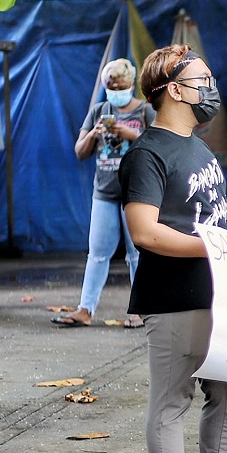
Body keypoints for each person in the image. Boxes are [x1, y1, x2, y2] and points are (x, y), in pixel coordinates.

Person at [119, 44, 227, 453]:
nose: (211, 89)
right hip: (174, 297)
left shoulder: (198, 146)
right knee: (171, 401)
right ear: (174, 90)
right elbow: (145, 232)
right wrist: (212, 248)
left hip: (220, 294)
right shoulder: (146, 154)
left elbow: (206, 217)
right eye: (202, 80)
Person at [53, 59, 155, 328]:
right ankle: (85, 309)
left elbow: (158, 146)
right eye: (109, 86)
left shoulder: (146, 111)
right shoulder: (99, 110)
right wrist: (93, 135)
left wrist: (129, 133)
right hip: (104, 192)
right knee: (97, 252)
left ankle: (140, 309)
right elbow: (80, 152)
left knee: (137, 252)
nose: (114, 90)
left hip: (136, 193)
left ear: (131, 85)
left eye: (119, 86)